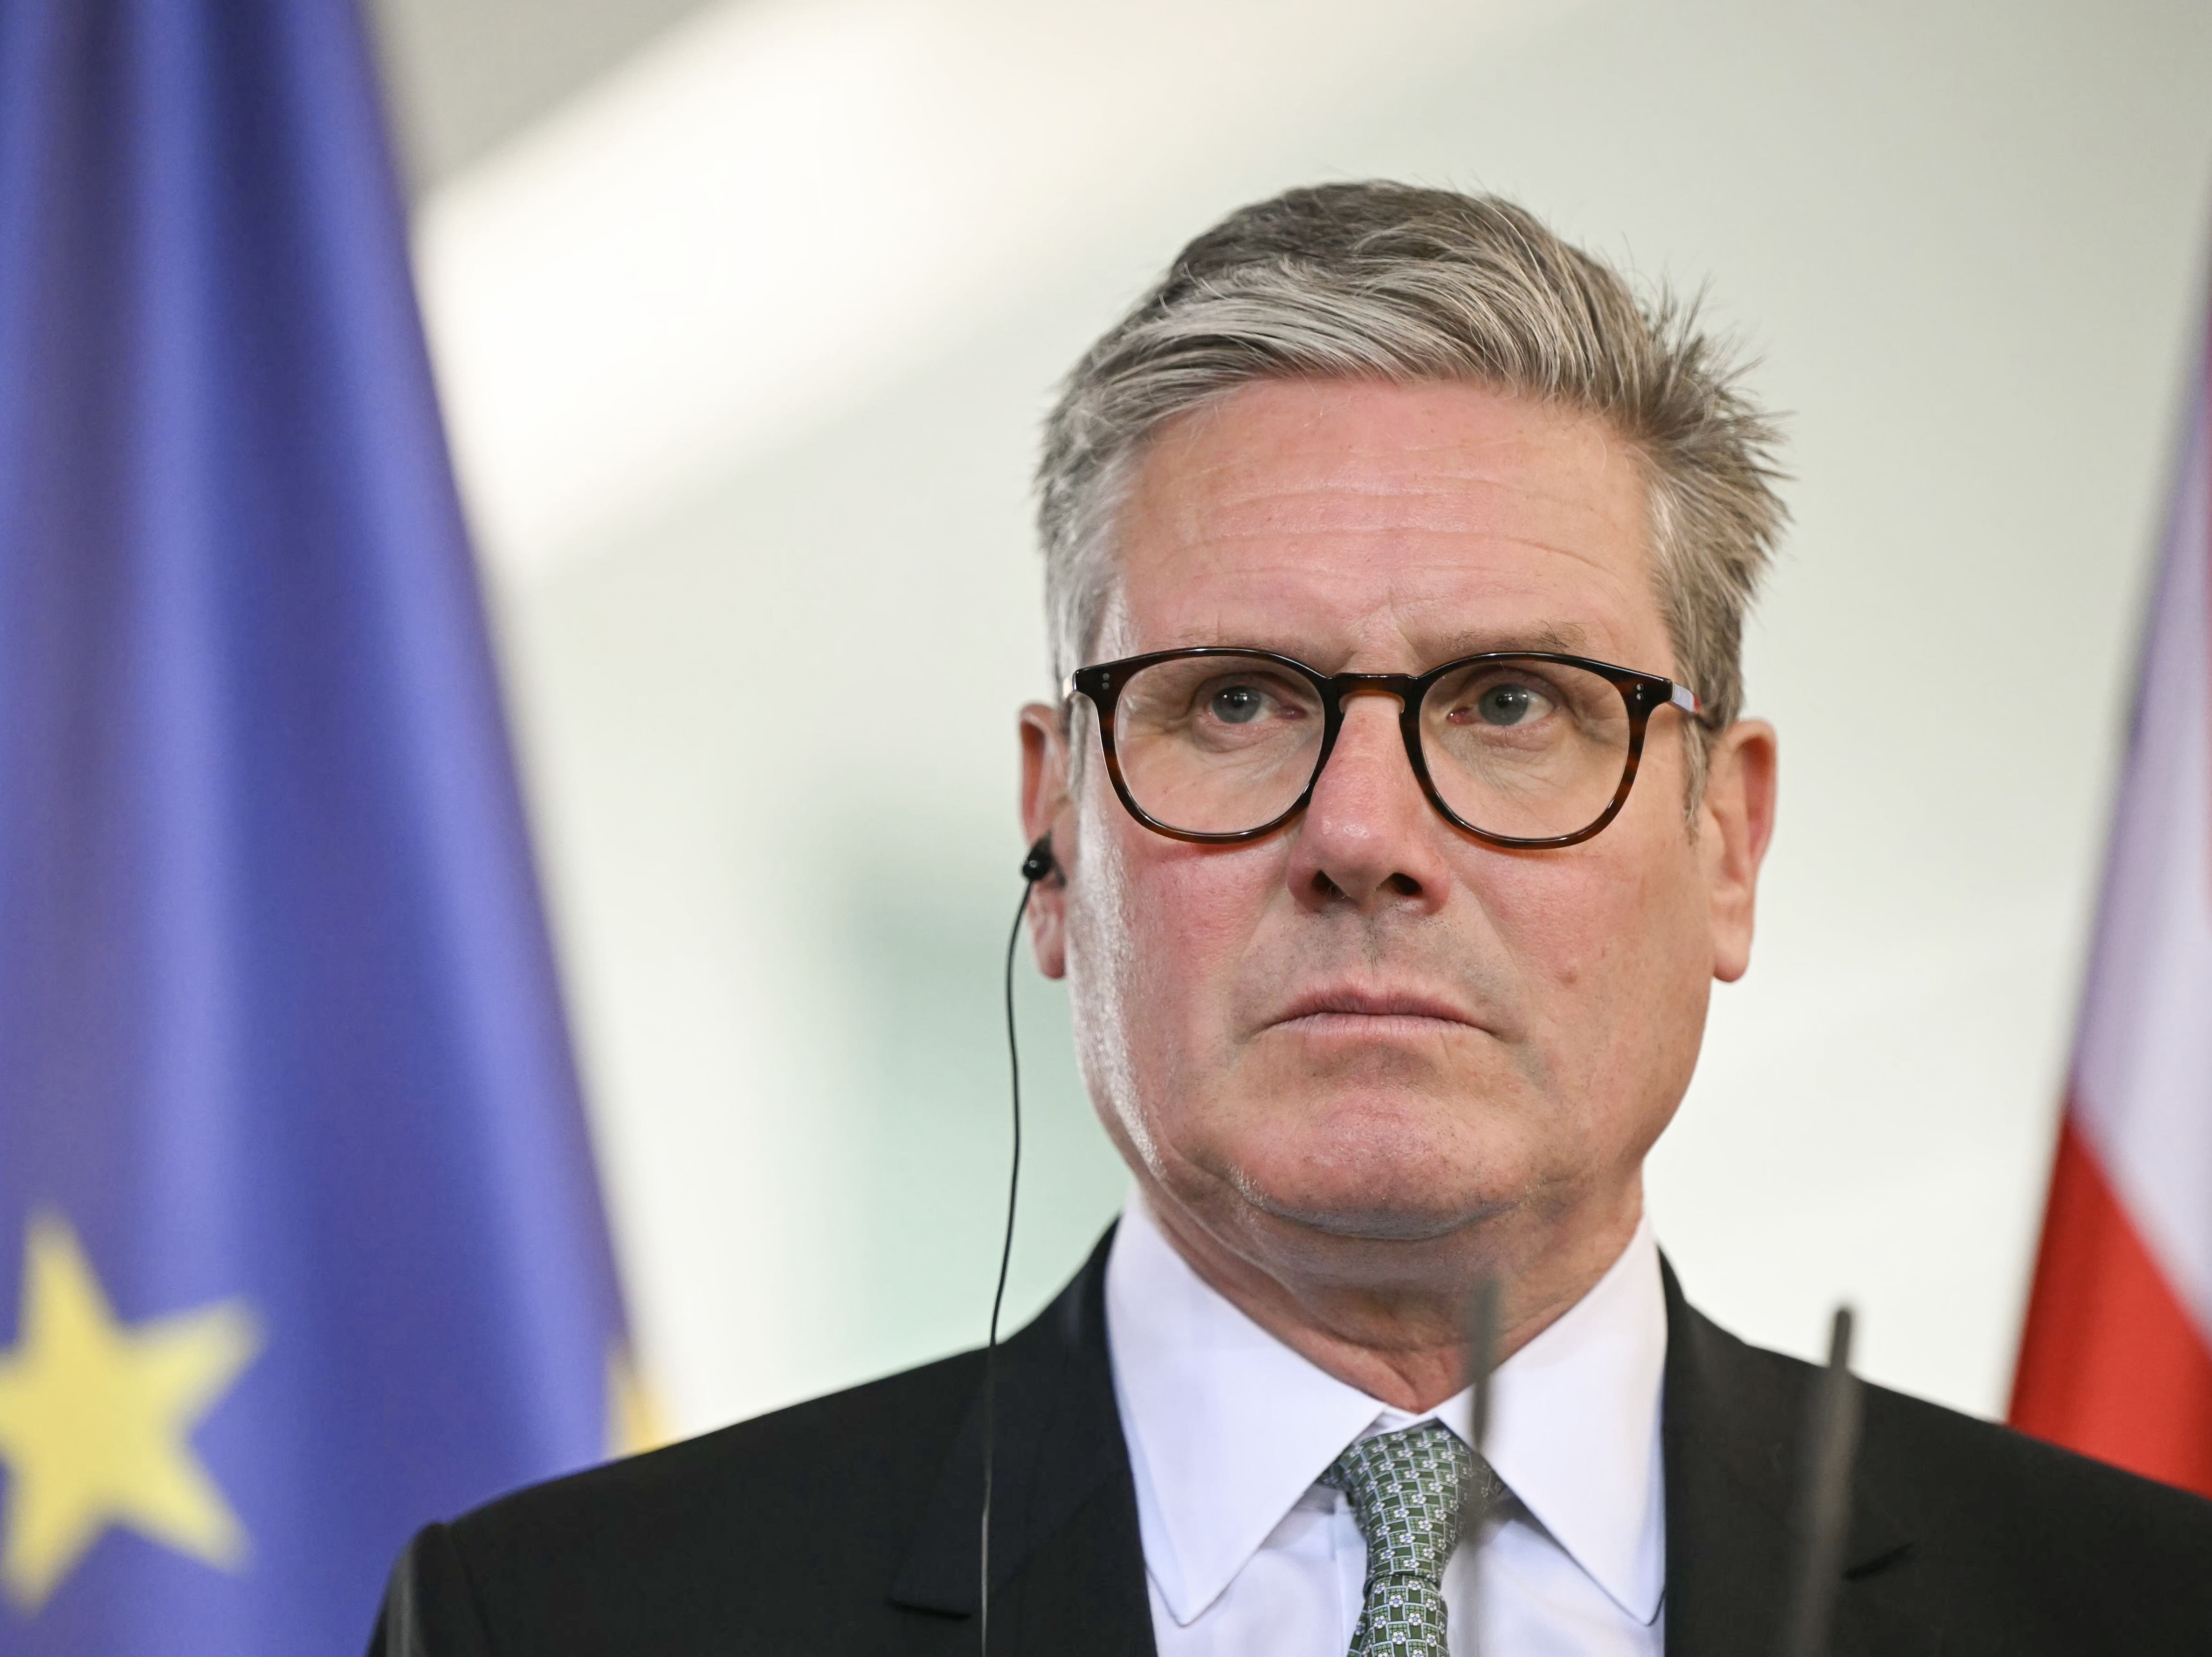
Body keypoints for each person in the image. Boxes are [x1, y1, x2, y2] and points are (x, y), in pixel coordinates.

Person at [368, 183, 2212, 1656]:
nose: (1359, 832)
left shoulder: (2139, 1616)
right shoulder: (560, 1625)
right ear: (1055, 832)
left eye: (1509, 704)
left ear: (1721, 841)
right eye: (1235, 699)